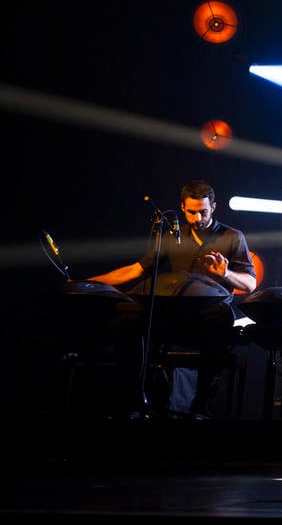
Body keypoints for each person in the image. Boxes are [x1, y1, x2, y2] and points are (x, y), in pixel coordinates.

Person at [89, 179, 256, 418]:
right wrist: (91, 283)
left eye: (203, 212)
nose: (197, 218)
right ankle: (134, 398)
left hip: (207, 317)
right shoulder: (170, 236)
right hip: (173, 315)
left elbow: (250, 283)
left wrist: (226, 274)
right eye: (191, 212)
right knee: (129, 313)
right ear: (182, 208)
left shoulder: (231, 236)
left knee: (217, 317)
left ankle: (202, 405)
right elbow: (137, 270)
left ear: (214, 207)